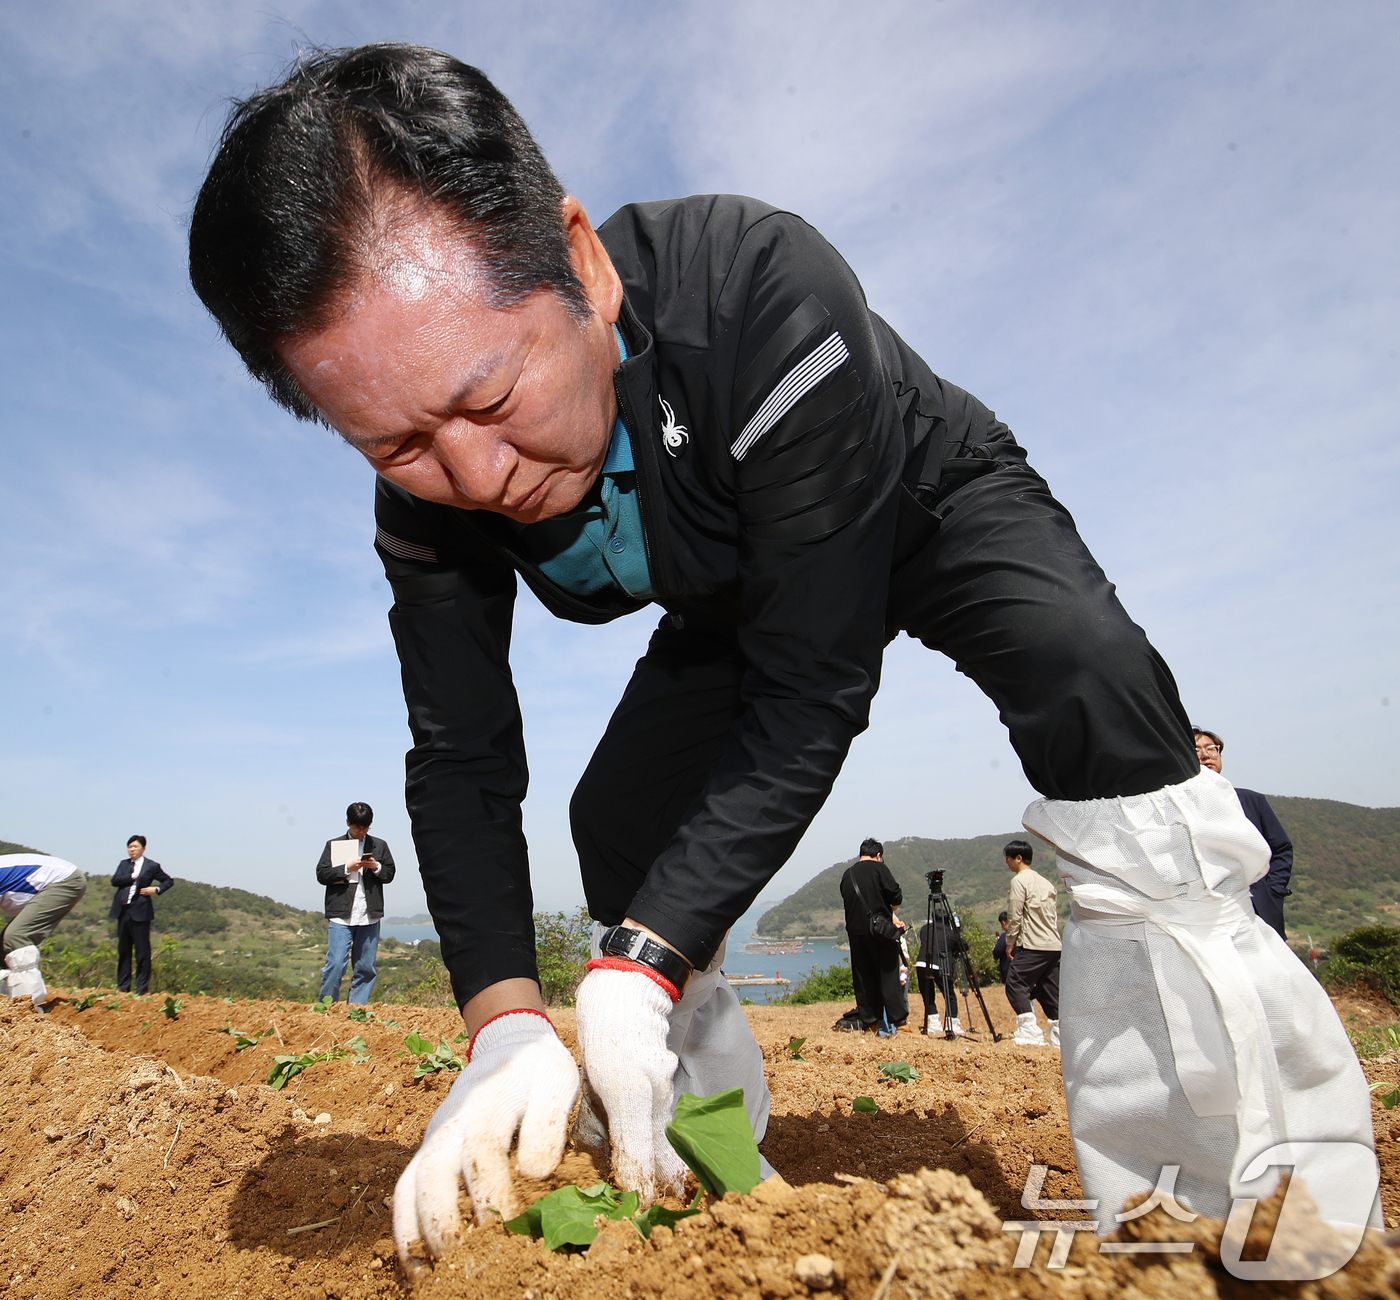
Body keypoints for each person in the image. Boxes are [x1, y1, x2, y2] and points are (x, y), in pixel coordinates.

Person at [186, 44, 1378, 1252]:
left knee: (1090, 685)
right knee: (622, 822)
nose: (476, 476)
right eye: (396, 444)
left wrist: (642, 963)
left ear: (582, 265)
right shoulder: (427, 505)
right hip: (736, 595)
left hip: (918, 499)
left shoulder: (756, 293)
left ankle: (1243, 1195)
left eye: (492, 400)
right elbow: (460, 756)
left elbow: (811, 689)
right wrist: (502, 1023)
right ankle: (692, 1168)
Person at [1194, 728, 1293, 940]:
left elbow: (1281, 848)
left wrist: (1273, 890)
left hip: (1260, 907)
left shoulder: (1252, 801)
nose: (1206, 755)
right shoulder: (1183, 806)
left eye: (1212, 749)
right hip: (1210, 916)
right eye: (1196, 750)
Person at [315, 802, 397, 1004]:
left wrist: (376, 866)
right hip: (341, 915)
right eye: (356, 827)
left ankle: (356, 1008)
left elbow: (389, 874)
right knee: (335, 964)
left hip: (369, 914)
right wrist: (346, 867)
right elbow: (322, 874)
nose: (360, 831)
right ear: (348, 823)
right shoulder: (333, 845)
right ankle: (327, 1006)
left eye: (365, 827)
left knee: (366, 966)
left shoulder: (379, 846)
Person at [0, 854, 86, 1006]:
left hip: (64, 880)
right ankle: (7, 1002)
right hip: (50, 882)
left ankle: (27, 1009)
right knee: (3, 944)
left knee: (16, 936)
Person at [839, 839, 906, 1035]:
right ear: (878, 855)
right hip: (879, 932)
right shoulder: (879, 868)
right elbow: (896, 895)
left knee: (863, 979)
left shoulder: (847, 874)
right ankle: (900, 1024)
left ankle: (870, 1024)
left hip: (855, 933)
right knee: (888, 975)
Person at [1002, 839, 1061, 1047]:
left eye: (1008, 858)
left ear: (1018, 858)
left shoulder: (1019, 881)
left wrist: (1011, 942)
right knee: (1049, 989)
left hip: (1033, 943)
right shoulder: (1046, 882)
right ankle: (1060, 1035)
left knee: (1016, 982)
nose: (1007, 863)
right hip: (1053, 945)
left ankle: (1029, 1031)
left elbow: (1015, 914)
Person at [109, 836, 174, 995]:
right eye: (129, 847)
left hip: (141, 913)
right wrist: (132, 876)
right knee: (124, 950)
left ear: (143, 848)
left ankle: (142, 989)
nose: (132, 849)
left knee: (142, 952)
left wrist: (156, 889)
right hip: (123, 911)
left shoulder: (151, 866)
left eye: (135, 846)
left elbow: (168, 881)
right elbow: (115, 880)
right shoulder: (124, 864)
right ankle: (123, 987)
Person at [913, 906, 963, 1037]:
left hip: (923, 964)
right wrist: (956, 931)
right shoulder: (950, 933)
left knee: (928, 995)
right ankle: (952, 1023)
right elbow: (963, 946)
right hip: (941, 965)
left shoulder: (925, 929)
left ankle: (934, 1023)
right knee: (949, 995)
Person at [992, 910, 1012, 986]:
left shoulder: (1005, 936)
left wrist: (994, 950)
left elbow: (997, 952)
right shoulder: (1021, 934)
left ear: (1003, 922)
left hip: (1009, 972)